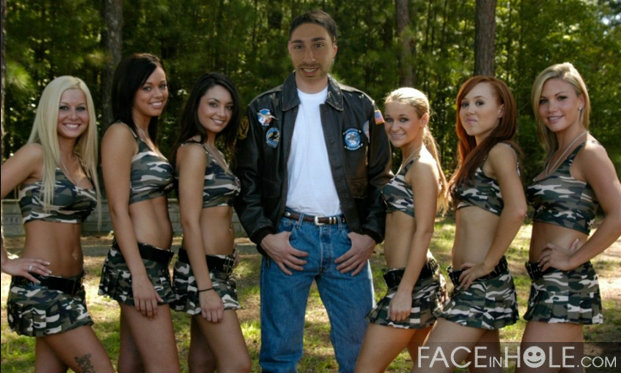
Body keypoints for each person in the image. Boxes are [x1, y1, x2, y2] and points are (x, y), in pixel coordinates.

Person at [234, 9, 392, 373]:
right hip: (288, 239)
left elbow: (382, 176)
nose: (309, 57)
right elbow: (247, 183)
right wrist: (264, 236)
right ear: (288, 50)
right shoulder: (264, 109)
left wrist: (370, 235)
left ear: (334, 49)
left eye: (318, 45)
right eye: (299, 46)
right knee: (279, 354)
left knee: (359, 353)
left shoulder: (361, 106)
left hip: (347, 241)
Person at [1, 76, 114, 372]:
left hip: (72, 289)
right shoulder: (35, 155)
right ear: (50, 111)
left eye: (81, 108)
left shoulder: (81, 163)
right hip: (41, 290)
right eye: (64, 107)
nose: (73, 116)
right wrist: (5, 261)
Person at [414, 76, 527, 373]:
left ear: (502, 110)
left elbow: (517, 210)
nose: (469, 111)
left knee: (427, 367)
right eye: (465, 103)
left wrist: (486, 264)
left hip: (482, 285)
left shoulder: (500, 150)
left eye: (480, 103)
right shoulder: (477, 155)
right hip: (469, 283)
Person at [518, 63, 621, 372]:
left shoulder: (589, 151)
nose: (551, 108)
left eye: (561, 98)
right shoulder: (558, 153)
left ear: (580, 100)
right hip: (547, 282)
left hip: (562, 284)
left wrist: (572, 259)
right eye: (543, 100)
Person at [355, 87, 449, 372]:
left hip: (414, 284)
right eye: (390, 120)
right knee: (426, 366)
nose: (394, 127)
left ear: (423, 120)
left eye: (404, 119)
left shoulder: (421, 165)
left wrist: (405, 291)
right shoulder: (409, 160)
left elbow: (425, 231)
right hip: (411, 280)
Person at [98, 53, 179, 372]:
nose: (158, 93)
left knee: (132, 367)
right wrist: (140, 277)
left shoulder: (148, 138)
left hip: (154, 262)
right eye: (147, 87)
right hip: (138, 264)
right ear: (130, 90)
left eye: (162, 85)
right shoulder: (120, 133)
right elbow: (118, 210)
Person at [169, 72, 251, 372]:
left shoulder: (214, 150)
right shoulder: (193, 151)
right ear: (196, 106)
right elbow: (189, 222)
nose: (222, 113)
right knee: (237, 363)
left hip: (218, 266)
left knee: (203, 360)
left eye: (228, 107)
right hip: (201, 271)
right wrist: (205, 288)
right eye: (213, 104)